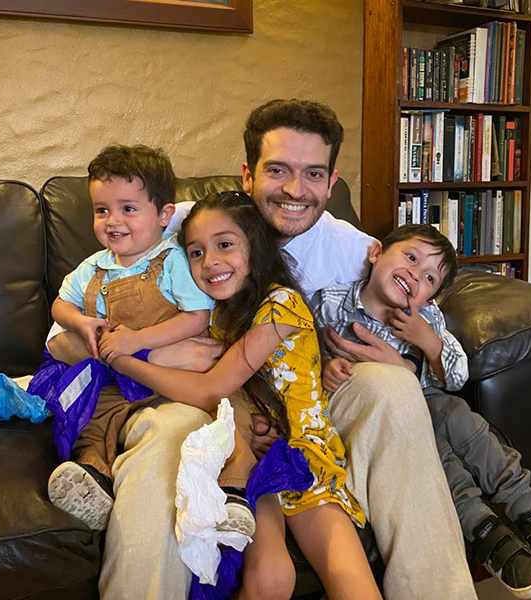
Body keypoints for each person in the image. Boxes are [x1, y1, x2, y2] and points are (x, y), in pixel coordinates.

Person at [98, 99, 477, 600]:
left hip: (307, 400)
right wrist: (147, 353)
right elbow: (94, 309)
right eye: (277, 170)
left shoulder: (354, 248)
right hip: (212, 405)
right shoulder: (178, 225)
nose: (296, 191)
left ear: (331, 180)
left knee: (393, 386)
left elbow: (421, 297)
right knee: (170, 431)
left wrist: (410, 361)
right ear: (248, 174)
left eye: (313, 174)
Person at [110, 190, 383, 600]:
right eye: (196, 252)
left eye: (225, 245)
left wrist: (127, 360)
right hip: (251, 459)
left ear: (254, 246)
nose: (210, 262)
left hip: (304, 456)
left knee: (353, 586)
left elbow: (210, 388)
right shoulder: (207, 316)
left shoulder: (281, 305)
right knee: (271, 578)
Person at [313, 223, 531, 599]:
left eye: (428, 277)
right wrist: (324, 368)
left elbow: (456, 375)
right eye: (410, 257)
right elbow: (300, 354)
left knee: (466, 422)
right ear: (376, 252)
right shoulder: (329, 303)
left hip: (432, 400)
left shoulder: (426, 319)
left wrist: (427, 342)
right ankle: (484, 531)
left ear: (431, 296)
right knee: (437, 453)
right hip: (377, 412)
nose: (414, 274)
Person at [46, 144, 258, 534]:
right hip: (118, 376)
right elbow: (59, 305)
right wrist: (79, 322)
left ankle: (232, 493)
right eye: (101, 209)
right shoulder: (93, 266)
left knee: (229, 411)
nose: (113, 221)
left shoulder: (173, 259)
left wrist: (136, 341)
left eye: (128, 208)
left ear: (164, 215)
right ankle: (93, 476)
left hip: (175, 376)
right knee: (94, 413)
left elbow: (196, 318)